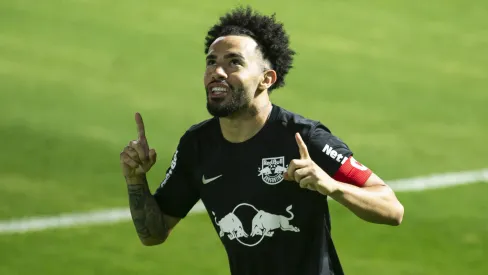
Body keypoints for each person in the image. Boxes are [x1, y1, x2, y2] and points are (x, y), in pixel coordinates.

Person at [119, 6, 404, 275]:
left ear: (266, 79)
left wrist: (330, 186)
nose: (217, 72)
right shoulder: (197, 146)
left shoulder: (303, 138)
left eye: (234, 62)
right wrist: (135, 180)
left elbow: (392, 209)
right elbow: (153, 234)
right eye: (211, 62)